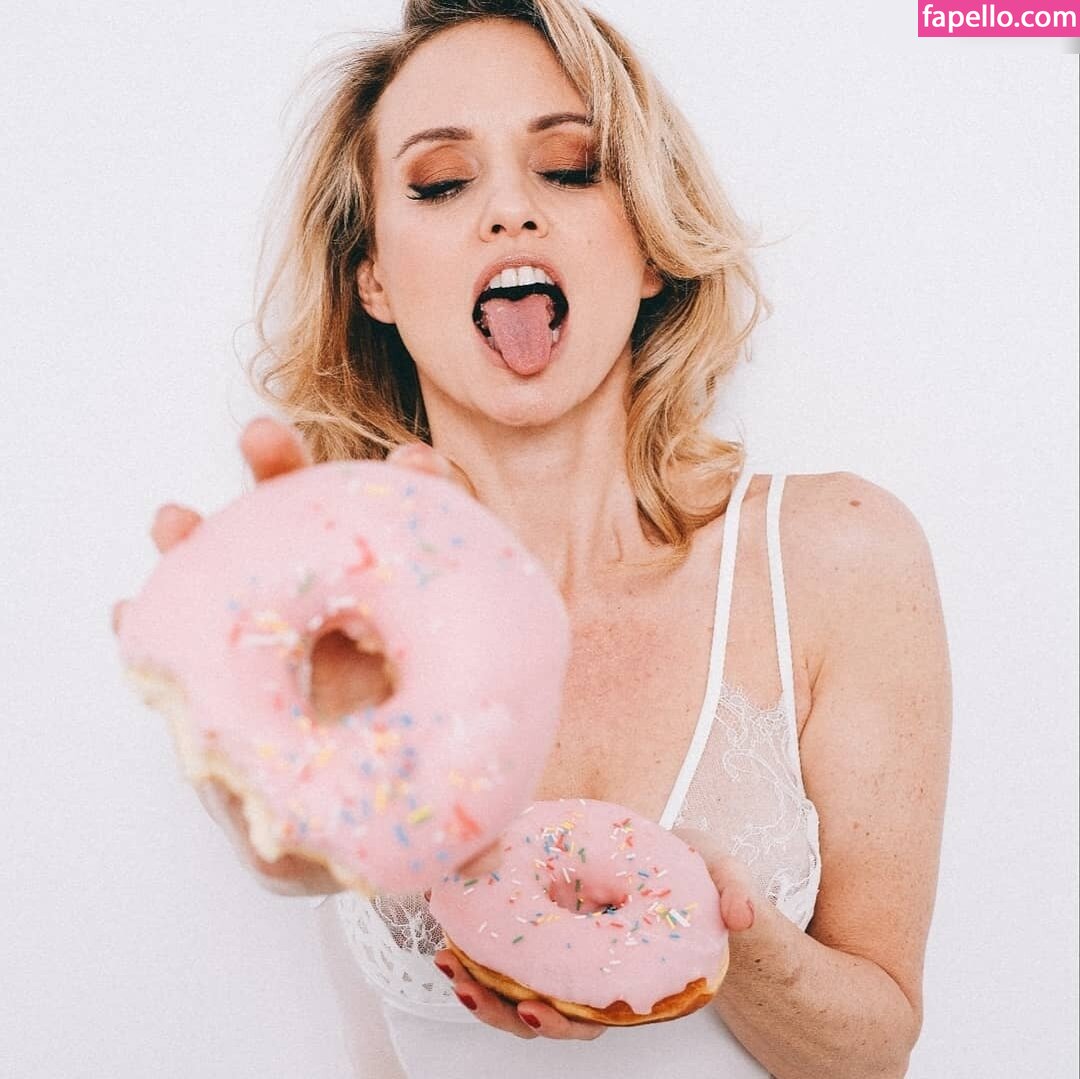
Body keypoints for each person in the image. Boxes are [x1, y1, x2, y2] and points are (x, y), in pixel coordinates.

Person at [124, 2, 952, 1076]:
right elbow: (285, 857)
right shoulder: (318, 610)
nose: (511, 210)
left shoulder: (839, 556)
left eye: (568, 169)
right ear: (373, 275)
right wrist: (294, 802)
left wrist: (713, 934)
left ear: (648, 246)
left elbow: (873, 1050)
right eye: (440, 183)